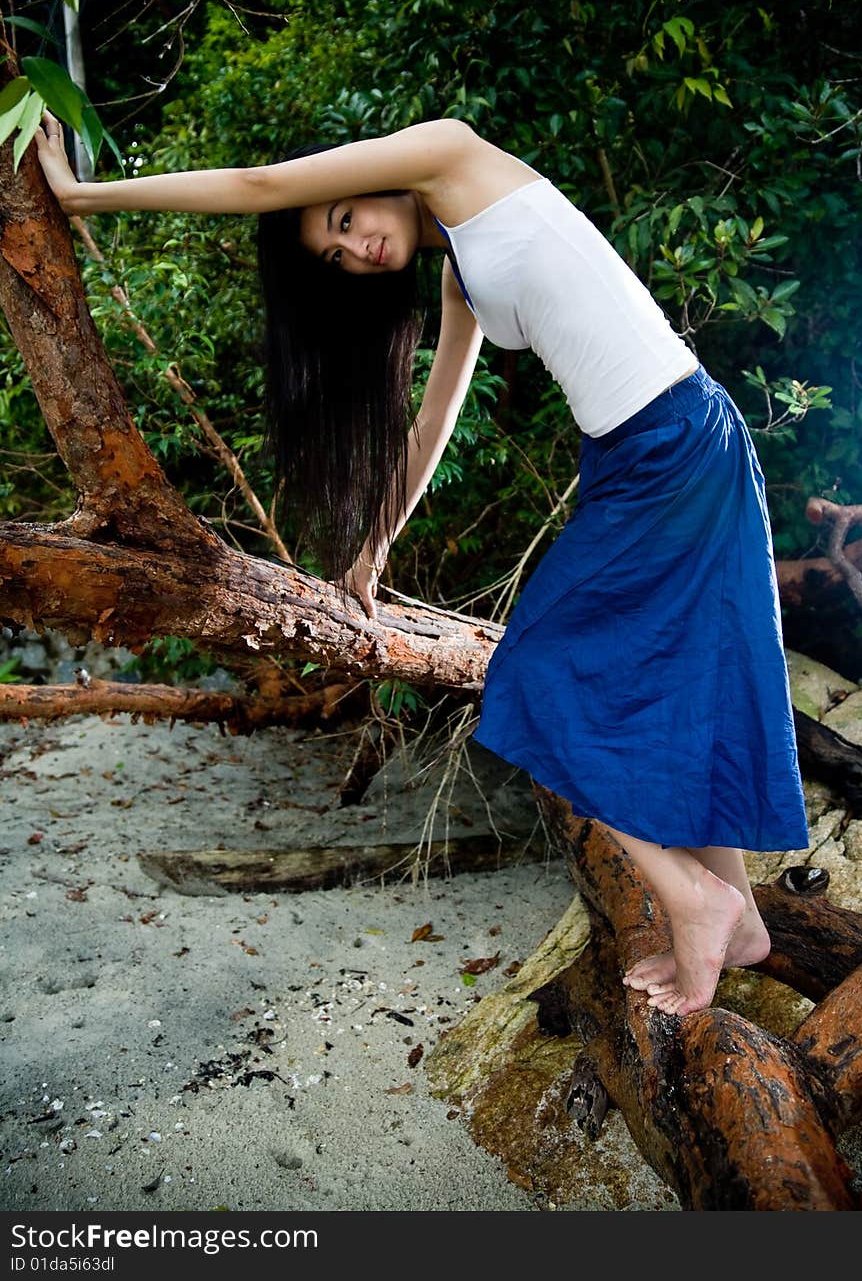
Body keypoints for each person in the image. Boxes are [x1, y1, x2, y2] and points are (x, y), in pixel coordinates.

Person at [33, 112, 809, 1016]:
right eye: (338, 256)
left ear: (364, 176)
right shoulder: (462, 276)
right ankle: (740, 917)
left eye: (342, 220)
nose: (359, 246)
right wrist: (373, 547)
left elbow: (254, 184)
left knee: (535, 675)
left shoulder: (451, 148)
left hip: (671, 442)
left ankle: (694, 901)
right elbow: (432, 424)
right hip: (651, 451)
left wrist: (79, 194)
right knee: (683, 679)